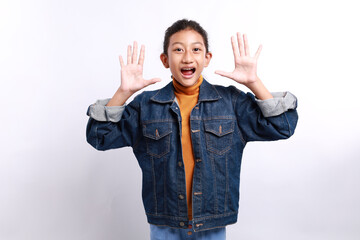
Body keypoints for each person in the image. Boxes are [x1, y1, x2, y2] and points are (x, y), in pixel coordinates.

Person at [86, 19, 298, 240]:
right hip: (165, 225)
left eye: (196, 49)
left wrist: (254, 83)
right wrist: (123, 92)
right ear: (165, 60)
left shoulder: (230, 102)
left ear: (207, 58)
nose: (187, 57)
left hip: (211, 225)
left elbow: (282, 126)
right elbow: (99, 137)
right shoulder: (146, 106)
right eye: (178, 49)